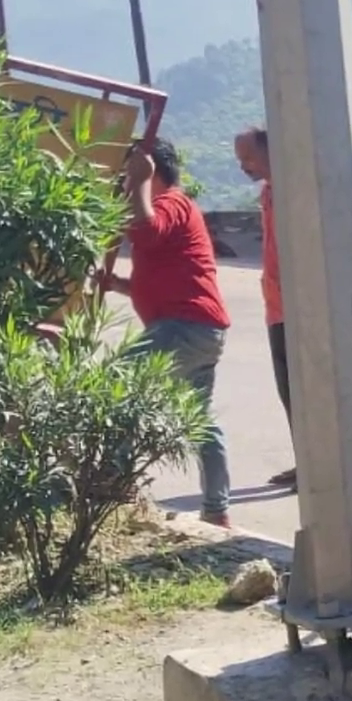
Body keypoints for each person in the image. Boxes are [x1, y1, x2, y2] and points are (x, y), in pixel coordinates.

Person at [103, 139, 234, 525]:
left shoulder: (172, 203)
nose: (126, 183)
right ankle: (216, 509)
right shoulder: (173, 207)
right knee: (198, 419)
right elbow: (163, 274)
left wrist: (140, 180)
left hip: (185, 326)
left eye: (130, 173)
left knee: (118, 381)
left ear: (149, 170)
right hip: (198, 327)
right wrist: (120, 285)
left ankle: (115, 482)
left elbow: (146, 232)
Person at [235, 128, 296, 490]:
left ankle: (316, 465)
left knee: (304, 395)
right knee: (289, 394)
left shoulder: (291, 190)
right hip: (275, 306)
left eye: (248, 158)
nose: (245, 166)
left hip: (295, 309)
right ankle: (305, 461)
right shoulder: (269, 193)